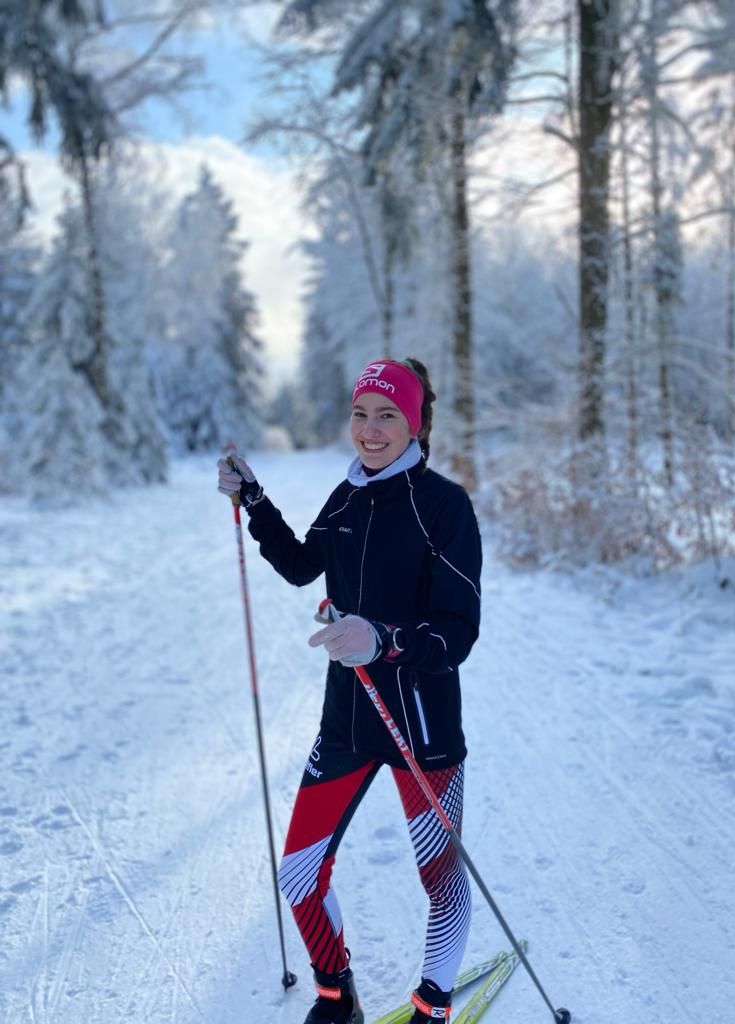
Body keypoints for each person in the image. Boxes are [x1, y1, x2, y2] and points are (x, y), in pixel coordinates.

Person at [218, 358, 482, 1024]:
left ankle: (433, 1006)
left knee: (442, 881)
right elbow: (305, 567)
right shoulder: (347, 496)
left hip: (422, 729)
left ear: (416, 421)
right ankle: (337, 995)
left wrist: (382, 639)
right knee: (298, 875)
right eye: (361, 413)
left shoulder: (444, 506)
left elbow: (457, 633)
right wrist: (255, 501)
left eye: (388, 413)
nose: (370, 429)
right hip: (349, 723)